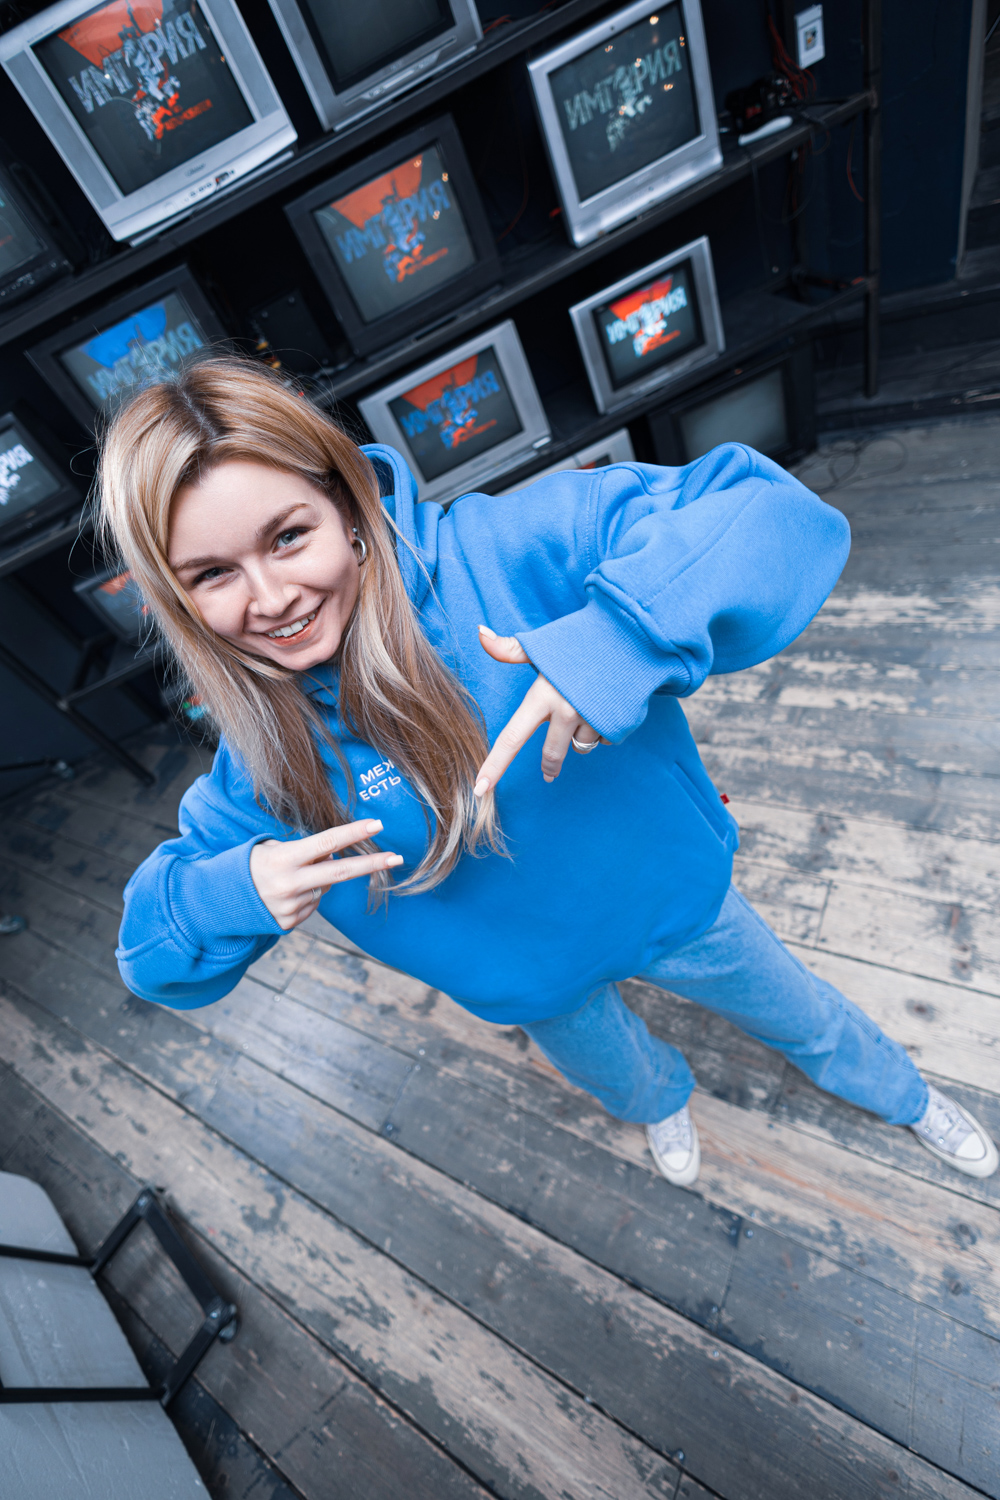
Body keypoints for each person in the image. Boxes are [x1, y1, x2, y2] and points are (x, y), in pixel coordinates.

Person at [103, 358, 997, 1186]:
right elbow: (150, 957)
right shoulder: (258, 759)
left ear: (345, 502)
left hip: (677, 903)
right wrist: (229, 892)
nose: (270, 600)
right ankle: (664, 1102)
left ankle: (903, 1095)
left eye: (290, 537)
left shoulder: (505, 550)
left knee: (802, 1014)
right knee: (623, 1079)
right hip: (538, 991)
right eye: (213, 574)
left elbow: (767, 514)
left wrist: (624, 633)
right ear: (177, 598)